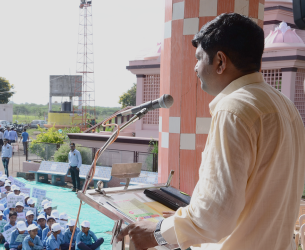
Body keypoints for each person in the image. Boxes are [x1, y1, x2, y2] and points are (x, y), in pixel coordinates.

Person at [116, 13, 305, 250]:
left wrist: (156, 233)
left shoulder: (233, 110)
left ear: (220, 62)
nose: (195, 67)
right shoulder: (286, 106)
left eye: (198, 58)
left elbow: (215, 216)